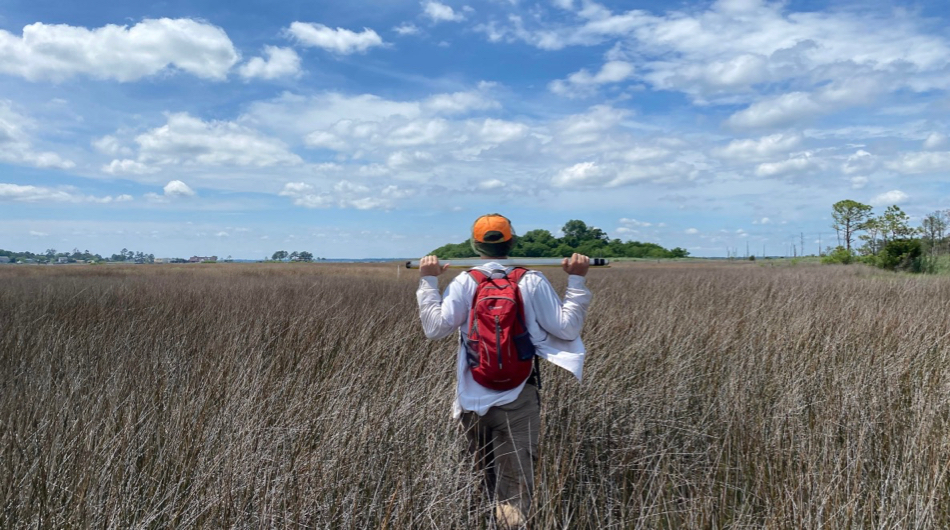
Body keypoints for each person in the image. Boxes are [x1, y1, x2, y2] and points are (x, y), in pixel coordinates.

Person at [416, 213, 592, 528]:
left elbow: (434, 329)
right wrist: (576, 279)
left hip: (472, 400)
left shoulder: (465, 280)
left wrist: (428, 280)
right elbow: (567, 329)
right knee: (513, 492)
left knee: (478, 484)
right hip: (519, 397)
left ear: (475, 244)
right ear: (512, 241)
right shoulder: (532, 279)